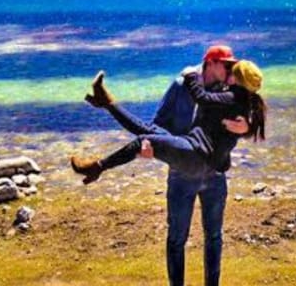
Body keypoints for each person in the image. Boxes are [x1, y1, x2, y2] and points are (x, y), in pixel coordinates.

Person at [75, 45, 252, 286]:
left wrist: (247, 127)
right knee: (177, 239)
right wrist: (151, 149)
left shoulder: (226, 88)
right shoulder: (181, 86)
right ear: (210, 62)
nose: (231, 69)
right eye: (227, 64)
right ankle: (106, 109)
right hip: (183, 169)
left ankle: (107, 108)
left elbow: (247, 108)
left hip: (214, 175)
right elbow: (158, 125)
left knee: (214, 237)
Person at [69, 58, 266, 182]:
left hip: (197, 158)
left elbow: (202, 98)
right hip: (193, 149)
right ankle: (107, 102)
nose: (228, 72)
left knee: (143, 139)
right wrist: (248, 129)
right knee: (147, 129)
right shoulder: (241, 99)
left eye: (232, 71)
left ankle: (98, 167)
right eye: (227, 67)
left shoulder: (232, 97)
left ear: (236, 79)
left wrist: (191, 76)